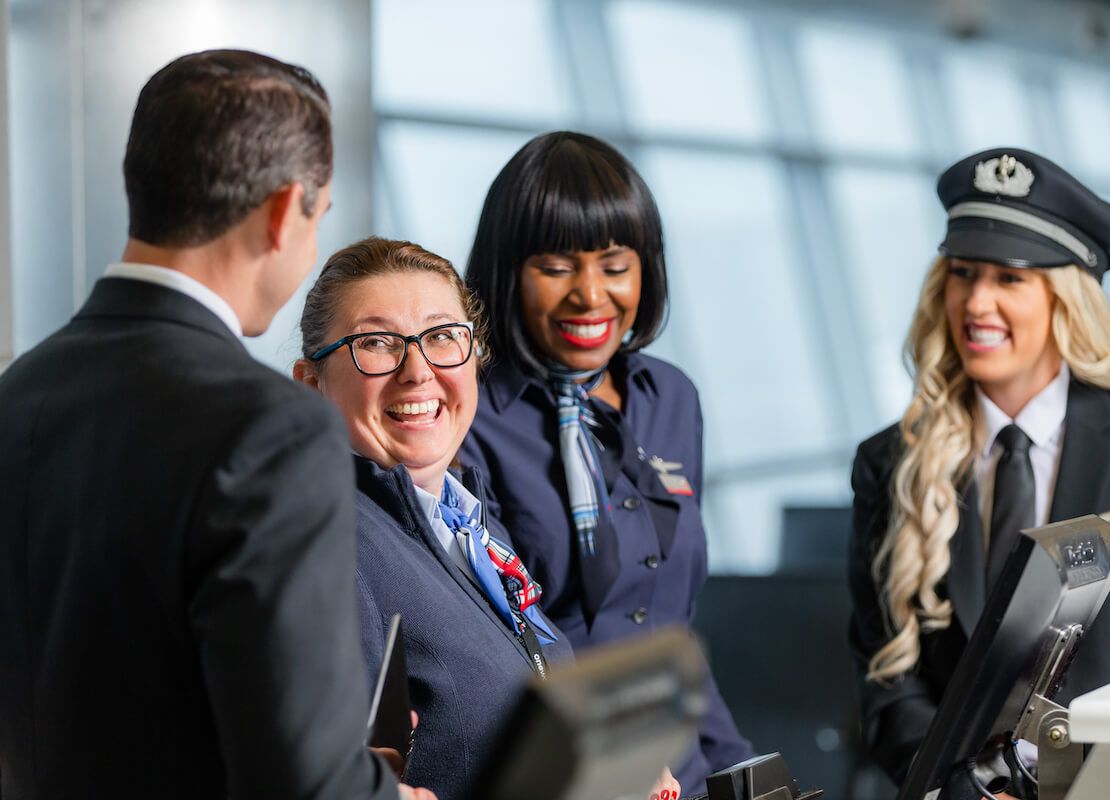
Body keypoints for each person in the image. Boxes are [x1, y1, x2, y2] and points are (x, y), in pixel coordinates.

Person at [0, 50, 431, 800]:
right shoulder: (273, 429)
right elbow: (302, 780)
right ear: (280, 211)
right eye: (316, 220)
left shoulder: (17, 394)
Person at [849, 147, 1110, 793]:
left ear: (1064, 297)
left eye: (1010, 279)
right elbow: (888, 686)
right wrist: (966, 790)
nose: (977, 302)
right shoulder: (891, 461)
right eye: (963, 273)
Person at [293, 237, 680, 800]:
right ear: (311, 386)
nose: (418, 370)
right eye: (376, 343)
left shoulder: (466, 524)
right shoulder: (329, 547)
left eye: (443, 336)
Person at [459, 131, 753, 794]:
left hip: (681, 775)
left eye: (615, 266)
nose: (591, 296)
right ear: (509, 271)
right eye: (557, 266)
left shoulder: (671, 397)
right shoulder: (469, 419)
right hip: (554, 774)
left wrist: (739, 768)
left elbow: (669, 631)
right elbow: (491, 648)